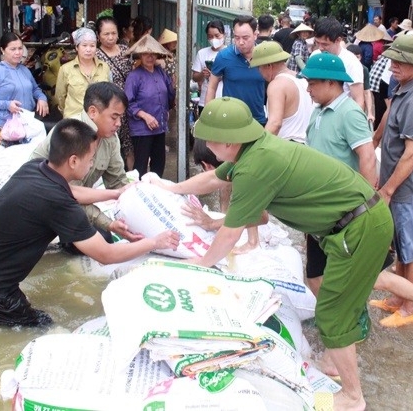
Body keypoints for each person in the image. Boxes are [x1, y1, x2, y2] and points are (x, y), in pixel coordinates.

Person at [153, 96, 394, 411]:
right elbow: (213, 178)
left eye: (211, 138)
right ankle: (338, 366)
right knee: (329, 298)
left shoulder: (256, 165)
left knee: (332, 313)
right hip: (350, 225)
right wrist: (170, 189)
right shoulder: (255, 148)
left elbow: (229, 233)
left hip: (360, 226)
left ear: (229, 141)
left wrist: (201, 263)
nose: (208, 144)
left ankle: (352, 397)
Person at [0, 118, 179, 327]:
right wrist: (154, 242)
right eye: (90, 160)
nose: (91, 165)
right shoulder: (58, 203)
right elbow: (105, 254)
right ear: (73, 160)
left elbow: (72, 191)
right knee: (40, 328)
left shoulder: (36, 168)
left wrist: (115, 193)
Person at [301, 52, 413, 340]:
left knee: (373, 272)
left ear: (331, 83)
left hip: (346, 211)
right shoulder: (319, 111)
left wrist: (368, 204)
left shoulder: (351, 113)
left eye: (313, 83)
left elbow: (369, 159)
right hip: (321, 211)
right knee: (317, 275)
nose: (308, 89)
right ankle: (339, 318)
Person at [31, 81, 143, 246]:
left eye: (121, 117)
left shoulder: (110, 139)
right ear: (93, 112)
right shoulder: (71, 135)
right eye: (114, 117)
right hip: (44, 202)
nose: (119, 123)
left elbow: (118, 182)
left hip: (69, 201)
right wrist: (108, 223)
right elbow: (69, 197)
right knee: (101, 240)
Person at [375, 35, 413, 326]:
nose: (394, 64)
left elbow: (412, 155)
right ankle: (399, 298)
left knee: (411, 251)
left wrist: (388, 189)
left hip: (407, 188)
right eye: (394, 58)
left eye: (401, 61)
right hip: (398, 185)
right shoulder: (403, 89)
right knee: (401, 245)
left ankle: (410, 307)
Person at [0, 32, 49, 146]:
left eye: (20, 48)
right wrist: (7, 105)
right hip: (4, 127)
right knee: (6, 161)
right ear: (3, 50)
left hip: (25, 125)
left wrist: (42, 98)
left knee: (25, 160)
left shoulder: (24, 70)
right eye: (13, 49)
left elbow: (35, 89)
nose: (17, 52)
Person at [124, 35, 176, 178]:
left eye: (153, 53)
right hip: (141, 129)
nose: (150, 57)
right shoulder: (134, 76)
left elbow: (169, 94)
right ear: (140, 55)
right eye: (146, 53)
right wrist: (145, 116)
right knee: (140, 166)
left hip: (159, 126)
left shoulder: (161, 72)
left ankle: (155, 192)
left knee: (159, 164)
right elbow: (128, 102)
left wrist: (174, 85)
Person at [206, 15, 267, 126]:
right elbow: (211, 87)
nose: (241, 42)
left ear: (255, 35)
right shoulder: (223, 56)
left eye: (245, 37)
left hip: (257, 121)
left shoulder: (265, 56)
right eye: (237, 38)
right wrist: (208, 116)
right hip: (230, 121)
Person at [249, 41, 313, 143]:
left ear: (268, 66)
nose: (259, 71)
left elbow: (275, 123)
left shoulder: (277, 85)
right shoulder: (301, 78)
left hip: (287, 146)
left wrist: (257, 147)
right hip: (307, 144)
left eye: (259, 67)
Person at [95, 16, 134, 170]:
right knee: (110, 143)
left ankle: (130, 176)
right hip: (108, 107)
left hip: (129, 104)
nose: (110, 37)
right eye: (106, 34)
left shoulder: (126, 51)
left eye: (113, 33)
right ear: (98, 36)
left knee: (130, 144)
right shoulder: (96, 55)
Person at [54, 27, 110, 118]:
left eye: (92, 46)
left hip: (99, 120)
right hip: (74, 121)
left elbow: (109, 93)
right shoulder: (66, 69)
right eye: (84, 45)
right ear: (77, 47)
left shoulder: (104, 67)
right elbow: (60, 98)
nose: (88, 49)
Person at [313, 17, 365, 108]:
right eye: (317, 43)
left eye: (325, 44)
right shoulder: (315, 56)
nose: (320, 48)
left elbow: (358, 100)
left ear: (338, 40)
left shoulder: (351, 63)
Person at [191, 19, 226, 115]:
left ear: (223, 34)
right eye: (210, 36)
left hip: (224, 101)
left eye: (217, 35)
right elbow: (194, 77)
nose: (213, 39)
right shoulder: (202, 53)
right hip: (205, 101)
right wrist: (202, 74)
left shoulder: (229, 53)